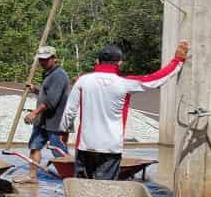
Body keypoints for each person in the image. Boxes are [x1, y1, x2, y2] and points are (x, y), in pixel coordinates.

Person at [61, 40, 189, 179]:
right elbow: (155, 79)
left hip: (85, 145)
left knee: (82, 188)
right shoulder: (124, 83)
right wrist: (178, 61)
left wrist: (63, 132)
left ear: (97, 61)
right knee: (105, 190)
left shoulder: (83, 81)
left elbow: (69, 112)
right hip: (110, 146)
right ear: (119, 63)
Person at [21, 45, 70, 182]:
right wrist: (35, 89)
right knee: (35, 146)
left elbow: (51, 101)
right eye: (41, 60)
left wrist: (34, 113)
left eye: (46, 59)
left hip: (56, 121)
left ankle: (71, 178)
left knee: (58, 151)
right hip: (43, 120)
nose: (42, 62)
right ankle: (32, 176)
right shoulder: (48, 74)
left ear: (54, 58)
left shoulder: (59, 75)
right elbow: (46, 92)